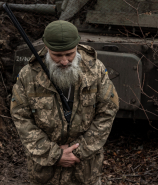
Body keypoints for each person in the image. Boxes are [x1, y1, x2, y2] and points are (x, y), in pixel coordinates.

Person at [11, 20, 119, 185]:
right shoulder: (28, 76)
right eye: (57, 55)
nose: (64, 61)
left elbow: (108, 111)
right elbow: (21, 117)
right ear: (47, 48)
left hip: (85, 171)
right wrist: (55, 154)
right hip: (45, 173)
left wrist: (79, 151)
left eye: (70, 54)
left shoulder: (95, 70)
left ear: (77, 46)